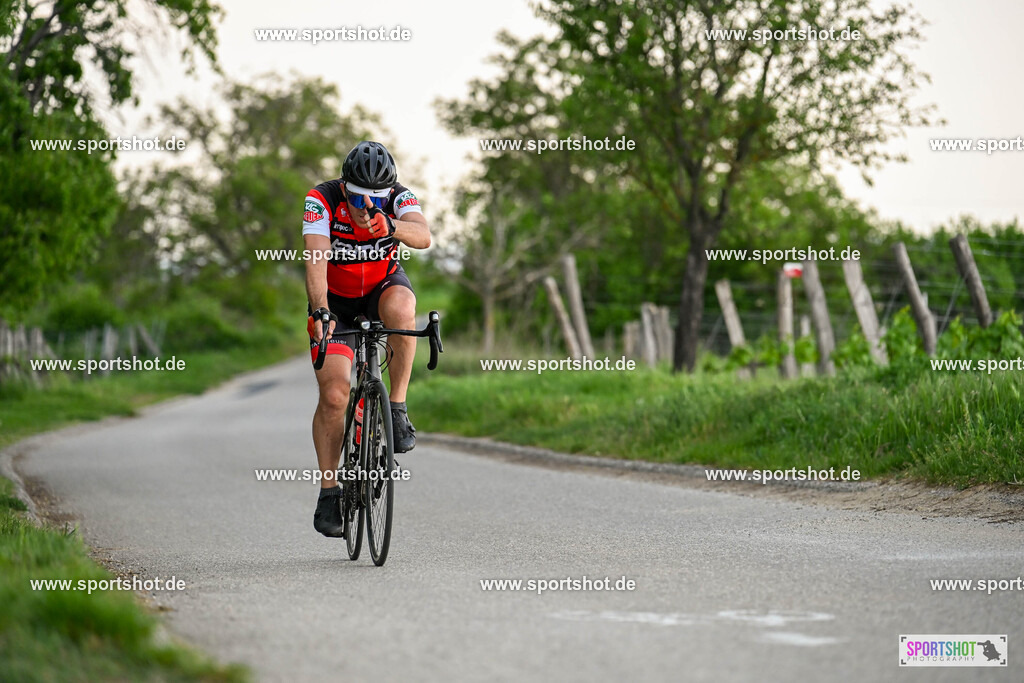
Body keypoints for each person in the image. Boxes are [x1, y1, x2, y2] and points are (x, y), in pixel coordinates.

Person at [302, 141, 431, 537]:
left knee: (403, 309)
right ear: (345, 186)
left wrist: (392, 226)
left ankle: (396, 406)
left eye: (375, 200)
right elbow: (317, 257)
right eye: (358, 198)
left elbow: (423, 235)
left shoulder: (398, 198)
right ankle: (329, 492)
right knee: (336, 395)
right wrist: (321, 310)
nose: (366, 207)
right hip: (336, 303)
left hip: (381, 289)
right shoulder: (320, 200)